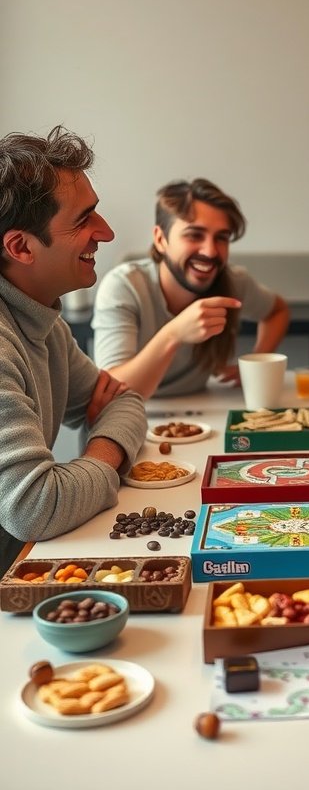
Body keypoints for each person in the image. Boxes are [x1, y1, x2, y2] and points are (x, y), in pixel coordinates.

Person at [0, 126, 147, 576]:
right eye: (83, 220)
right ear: (21, 247)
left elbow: (124, 400)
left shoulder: (42, 319)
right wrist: (105, 453)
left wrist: (87, 465)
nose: (106, 232)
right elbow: (36, 507)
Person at [92, 178, 290, 398]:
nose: (210, 251)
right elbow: (112, 389)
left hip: (201, 411)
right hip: (135, 414)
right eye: (194, 235)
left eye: (221, 238)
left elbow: (277, 311)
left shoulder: (234, 282)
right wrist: (174, 333)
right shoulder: (125, 286)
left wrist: (255, 363)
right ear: (160, 239)